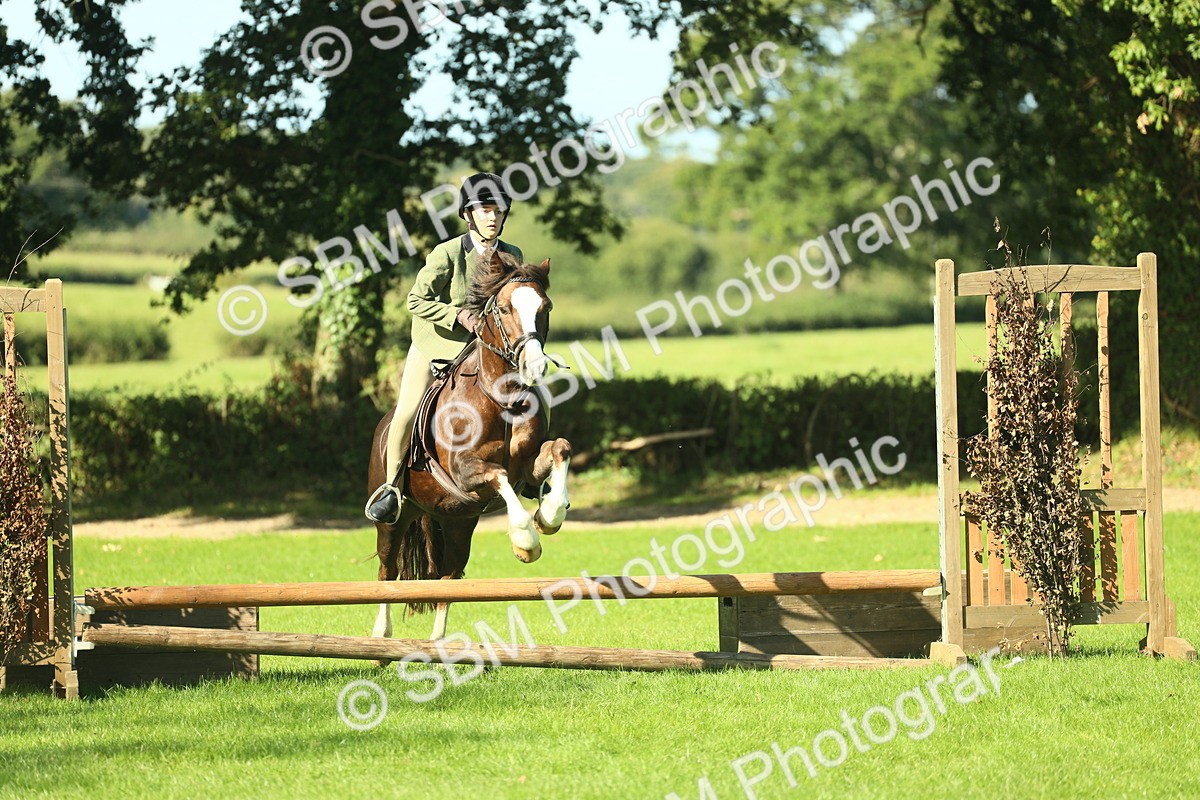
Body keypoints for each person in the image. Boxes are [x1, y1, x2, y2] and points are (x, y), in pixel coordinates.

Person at [365, 172, 524, 523]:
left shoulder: (513, 255)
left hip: (486, 351)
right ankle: (391, 488)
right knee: (406, 411)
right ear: (468, 215)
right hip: (437, 343)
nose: (492, 216)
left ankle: (529, 472)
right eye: (484, 209)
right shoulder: (448, 253)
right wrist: (458, 315)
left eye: (498, 209)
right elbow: (415, 300)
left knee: (531, 397)